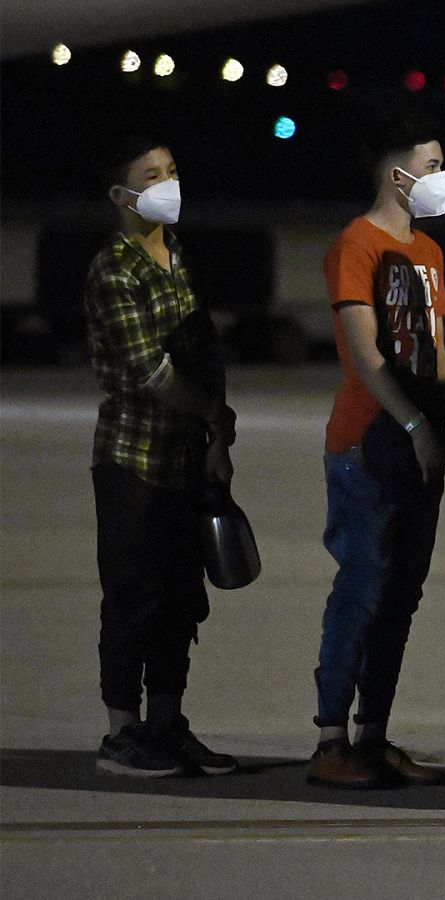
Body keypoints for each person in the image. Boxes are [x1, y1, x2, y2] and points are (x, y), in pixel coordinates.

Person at [308, 110, 445, 789]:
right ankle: (330, 742)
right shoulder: (359, 243)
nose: (441, 178)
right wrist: (412, 423)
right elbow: (366, 354)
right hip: (366, 443)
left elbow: (433, 348)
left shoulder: (427, 252)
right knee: (364, 586)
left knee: (402, 592)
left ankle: (374, 736)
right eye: (431, 166)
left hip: (417, 446)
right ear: (396, 173)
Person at [85, 135, 239, 777]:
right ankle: (121, 734)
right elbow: (151, 371)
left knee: (182, 599)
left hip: (185, 460)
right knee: (134, 597)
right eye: (152, 176)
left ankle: (166, 723)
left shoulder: (179, 257)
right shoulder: (114, 269)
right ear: (122, 196)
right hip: (133, 460)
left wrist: (215, 442)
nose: (168, 183)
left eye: (172, 170)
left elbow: (202, 355)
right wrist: (209, 413)